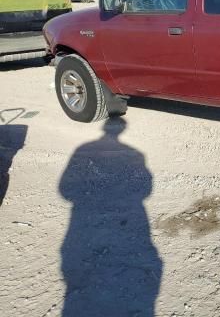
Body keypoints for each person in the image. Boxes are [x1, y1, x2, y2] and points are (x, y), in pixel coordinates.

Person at [59, 117, 162, 316]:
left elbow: (64, 190)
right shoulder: (136, 154)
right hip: (133, 215)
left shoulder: (84, 148)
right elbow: (147, 189)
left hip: (82, 220)